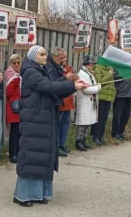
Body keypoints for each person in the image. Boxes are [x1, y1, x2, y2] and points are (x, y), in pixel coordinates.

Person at [13, 46, 88, 207]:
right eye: (41, 54)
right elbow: (47, 87)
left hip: (44, 118)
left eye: (45, 54)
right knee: (32, 156)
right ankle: (23, 195)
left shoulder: (42, 70)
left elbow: (53, 86)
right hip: (34, 118)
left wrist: (70, 83)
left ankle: (39, 194)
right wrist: (72, 86)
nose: (45, 57)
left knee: (42, 156)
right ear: (33, 57)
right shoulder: (30, 71)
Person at [47, 48, 77, 156]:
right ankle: (57, 145)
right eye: (62, 57)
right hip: (60, 99)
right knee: (57, 124)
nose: (64, 59)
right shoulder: (51, 67)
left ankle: (62, 144)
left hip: (67, 98)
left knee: (65, 123)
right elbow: (54, 83)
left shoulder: (67, 67)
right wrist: (65, 78)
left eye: (65, 57)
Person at [75, 56, 101, 150]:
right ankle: (78, 141)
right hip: (84, 101)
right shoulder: (82, 74)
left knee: (88, 122)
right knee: (83, 122)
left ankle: (84, 140)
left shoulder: (89, 73)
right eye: (92, 64)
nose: (93, 65)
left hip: (90, 101)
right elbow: (86, 89)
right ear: (88, 64)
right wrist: (98, 88)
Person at [92, 60, 115, 145]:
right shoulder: (98, 68)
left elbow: (111, 84)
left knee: (104, 118)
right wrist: (109, 75)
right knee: (99, 118)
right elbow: (99, 82)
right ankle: (95, 136)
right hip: (101, 96)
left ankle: (101, 135)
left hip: (108, 96)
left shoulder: (109, 69)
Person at [5, 54, 22, 163]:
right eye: (14, 63)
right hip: (13, 106)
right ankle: (13, 153)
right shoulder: (10, 75)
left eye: (18, 62)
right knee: (14, 131)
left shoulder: (18, 75)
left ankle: (18, 151)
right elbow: (8, 92)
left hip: (19, 105)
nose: (16, 65)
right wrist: (15, 83)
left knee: (19, 131)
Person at [111, 67, 131, 140]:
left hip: (129, 94)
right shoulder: (117, 66)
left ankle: (121, 131)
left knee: (126, 115)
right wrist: (125, 74)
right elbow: (113, 76)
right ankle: (115, 133)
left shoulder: (130, 67)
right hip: (120, 94)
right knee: (117, 115)